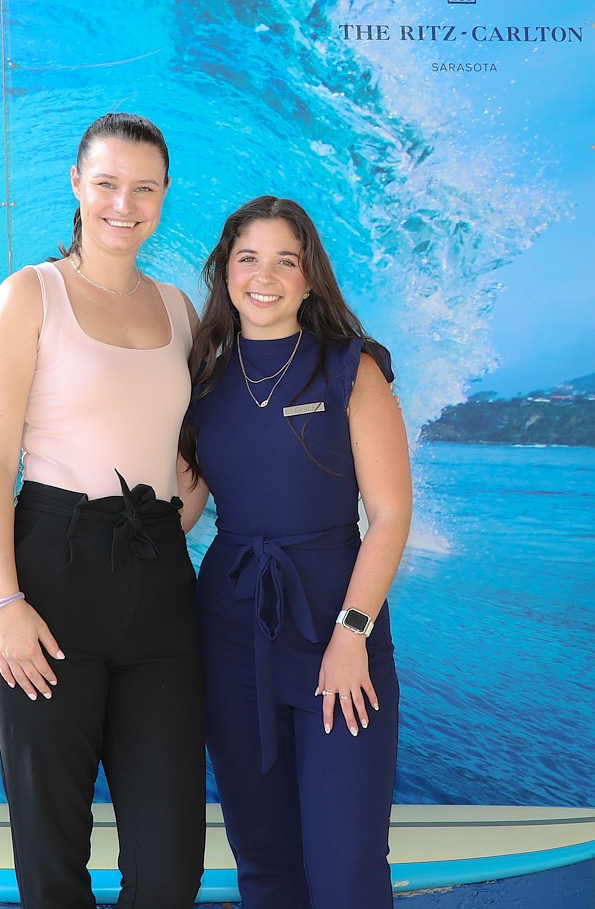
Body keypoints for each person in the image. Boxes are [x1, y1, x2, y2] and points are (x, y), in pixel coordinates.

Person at [0, 113, 205, 909]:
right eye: (106, 183)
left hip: (158, 589)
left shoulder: (179, 310)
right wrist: (5, 603)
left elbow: (189, 444)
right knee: (54, 860)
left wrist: (189, 503)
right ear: (77, 185)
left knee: (170, 869)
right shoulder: (29, 295)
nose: (123, 204)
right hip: (48, 577)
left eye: (144, 188)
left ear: (165, 196)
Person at [181, 195, 412, 909]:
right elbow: (179, 511)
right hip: (229, 637)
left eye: (287, 260)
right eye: (248, 258)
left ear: (310, 277)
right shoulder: (203, 381)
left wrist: (351, 634)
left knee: (345, 874)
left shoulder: (350, 369)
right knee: (265, 866)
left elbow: (390, 514)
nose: (265, 276)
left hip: (334, 633)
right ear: (224, 271)